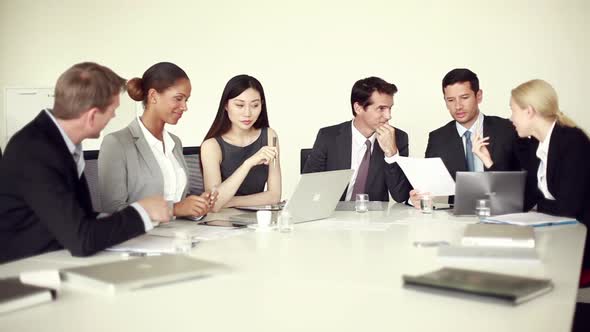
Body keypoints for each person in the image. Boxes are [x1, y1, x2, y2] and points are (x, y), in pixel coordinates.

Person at [0, 62, 169, 263]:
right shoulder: (34, 150)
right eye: (112, 110)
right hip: (22, 270)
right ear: (92, 116)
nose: (114, 116)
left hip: (56, 259)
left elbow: (79, 217)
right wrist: (142, 210)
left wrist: (114, 219)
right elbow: (82, 239)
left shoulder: (62, 142)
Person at [98, 62, 216, 219]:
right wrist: (174, 209)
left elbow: (178, 198)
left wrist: (197, 205)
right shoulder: (116, 143)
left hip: (180, 236)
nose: (184, 107)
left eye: (186, 100)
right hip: (139, 239)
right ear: (153, 96)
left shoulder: (175, 142)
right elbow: (112, 209)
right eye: (178, 98)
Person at [411, 68, 519, 206]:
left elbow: (524, 178)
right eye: (450, 100)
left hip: (504, 213)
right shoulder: (438, 138)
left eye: (464, 98)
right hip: (457, 220)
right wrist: (416, 198)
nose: (458, 106)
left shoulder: (508, 129)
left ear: (478, 96)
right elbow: (426, 187)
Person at [303, 76, 411, 203]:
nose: (388, 116)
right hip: (334, 215)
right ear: (358, 108)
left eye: (390, 108)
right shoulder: (328, 136)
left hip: (375, 219)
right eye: (381, 109)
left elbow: (400, 196)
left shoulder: (398, 138)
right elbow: (307, 188)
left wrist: (391, 154)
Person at [200, 75, 281, 212]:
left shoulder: (269, 135)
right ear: (226, 105)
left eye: (255, 105)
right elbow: (214, 204)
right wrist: (248, 164)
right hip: (221, 223)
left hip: (257, 219)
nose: (247, 113)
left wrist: (231, 201)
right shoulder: (211, 146)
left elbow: (274, 196)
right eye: (239, 105)